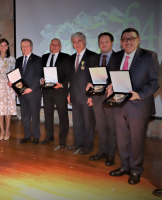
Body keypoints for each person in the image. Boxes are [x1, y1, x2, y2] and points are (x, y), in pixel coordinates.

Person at [108, 28, 159, 185]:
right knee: (122, 139)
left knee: (137, 140)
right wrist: (109, 84)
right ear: (121, 42)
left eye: (131, 38)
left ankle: (136, 170)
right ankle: (125, 166)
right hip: (118, 103)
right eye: (124, 39)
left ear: (138, 40)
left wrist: (139, 94)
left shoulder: (149, 56)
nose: (128, 41)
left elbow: (155, 81)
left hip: (138, 105)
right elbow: (111, 75)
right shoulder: (116, 56)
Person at [86, 32, 117, 166]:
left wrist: (113, 85)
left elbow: (123, 76)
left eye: (106, 42)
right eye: (101, 42)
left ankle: (111, 154)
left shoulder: (119, 57)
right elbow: (90, 75)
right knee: (101, 126)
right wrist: (89, 83)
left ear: (112, 42)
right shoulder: (94, 58)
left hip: (112, 97)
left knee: (112, 127)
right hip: (97, 97)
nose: (103, 44)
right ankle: (102, 151)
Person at [67, 32, 97, 155]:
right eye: (74, 42)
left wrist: (92, 95)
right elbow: (72, 78)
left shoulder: (93, 56)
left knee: (89, 122)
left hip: (87, 96)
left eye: (79, 41)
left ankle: (89, 144)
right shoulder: (72, 57)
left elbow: (95, 78)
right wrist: (69, 93)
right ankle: (78, 142)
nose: (77, 44)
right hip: (75, 95)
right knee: (77, 121)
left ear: (84, 41)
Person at [9, 38, 42, 145]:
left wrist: (31, 88)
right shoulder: (18, 60)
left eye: (27, 46)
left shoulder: (37, 59)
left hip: (33, 93)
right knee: (25, 116)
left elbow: (38, 76)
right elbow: (16, 77)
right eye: (23, 46)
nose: (25, 48)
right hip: (22, 94)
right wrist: (13, 85)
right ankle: (27, 136)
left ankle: (36, 136)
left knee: (35, 116)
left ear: (31, 47)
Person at [40, 38, 70, 148]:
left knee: (63, 115)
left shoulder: (66, 57)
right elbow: (41, 72)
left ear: (60, 46)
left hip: (60, 91)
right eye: (52, 44)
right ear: (50, 45)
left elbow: (68, 74)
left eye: (57, 45)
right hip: (47, 91)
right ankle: (49, 136)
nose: (54, 46)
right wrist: (41, 79)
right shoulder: (44, 57)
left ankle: (62, 139)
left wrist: (62, 84)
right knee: (48, 115)